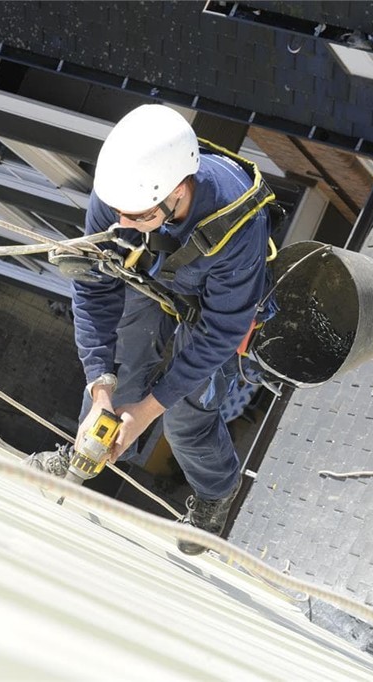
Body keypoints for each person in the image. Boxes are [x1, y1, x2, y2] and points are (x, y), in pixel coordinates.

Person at [33, 103, 275, 555]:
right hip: (154, 279)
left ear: (179, 191)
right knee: (117, 382)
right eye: (119, 213)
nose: (122, 226)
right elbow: (94, 291)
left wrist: (150, 410)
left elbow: (221, 331)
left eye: (138, 217)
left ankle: (215, 492)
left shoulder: (238, 225)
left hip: (213, 308)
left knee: (184, 418)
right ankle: (81, 459)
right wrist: (100, 387)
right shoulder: (123, 191)